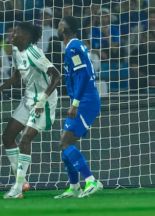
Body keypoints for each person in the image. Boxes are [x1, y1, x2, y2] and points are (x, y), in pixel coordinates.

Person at [0, 22, 61, 198]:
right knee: (7, 137)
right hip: (28, 99)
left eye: (16, 31)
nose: (12, 34)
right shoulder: (16, 51)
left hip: (43, 102)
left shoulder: (35, 53)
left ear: (26, 36)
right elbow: (17, 75)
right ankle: (21, 180)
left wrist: (42, 100)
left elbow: (56, 75)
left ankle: (18, 186)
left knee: (25, 140)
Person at [55, 16, 103, 198]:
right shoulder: (78, 45)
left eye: (60, 24)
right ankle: (74, 187)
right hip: (84, 99)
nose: (57, 26)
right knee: (64, 143)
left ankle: (91, 180)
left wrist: (75, 103)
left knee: (65, 143)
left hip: (85, 101)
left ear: (63, 29)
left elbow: (83, 75)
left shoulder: (73, 47)